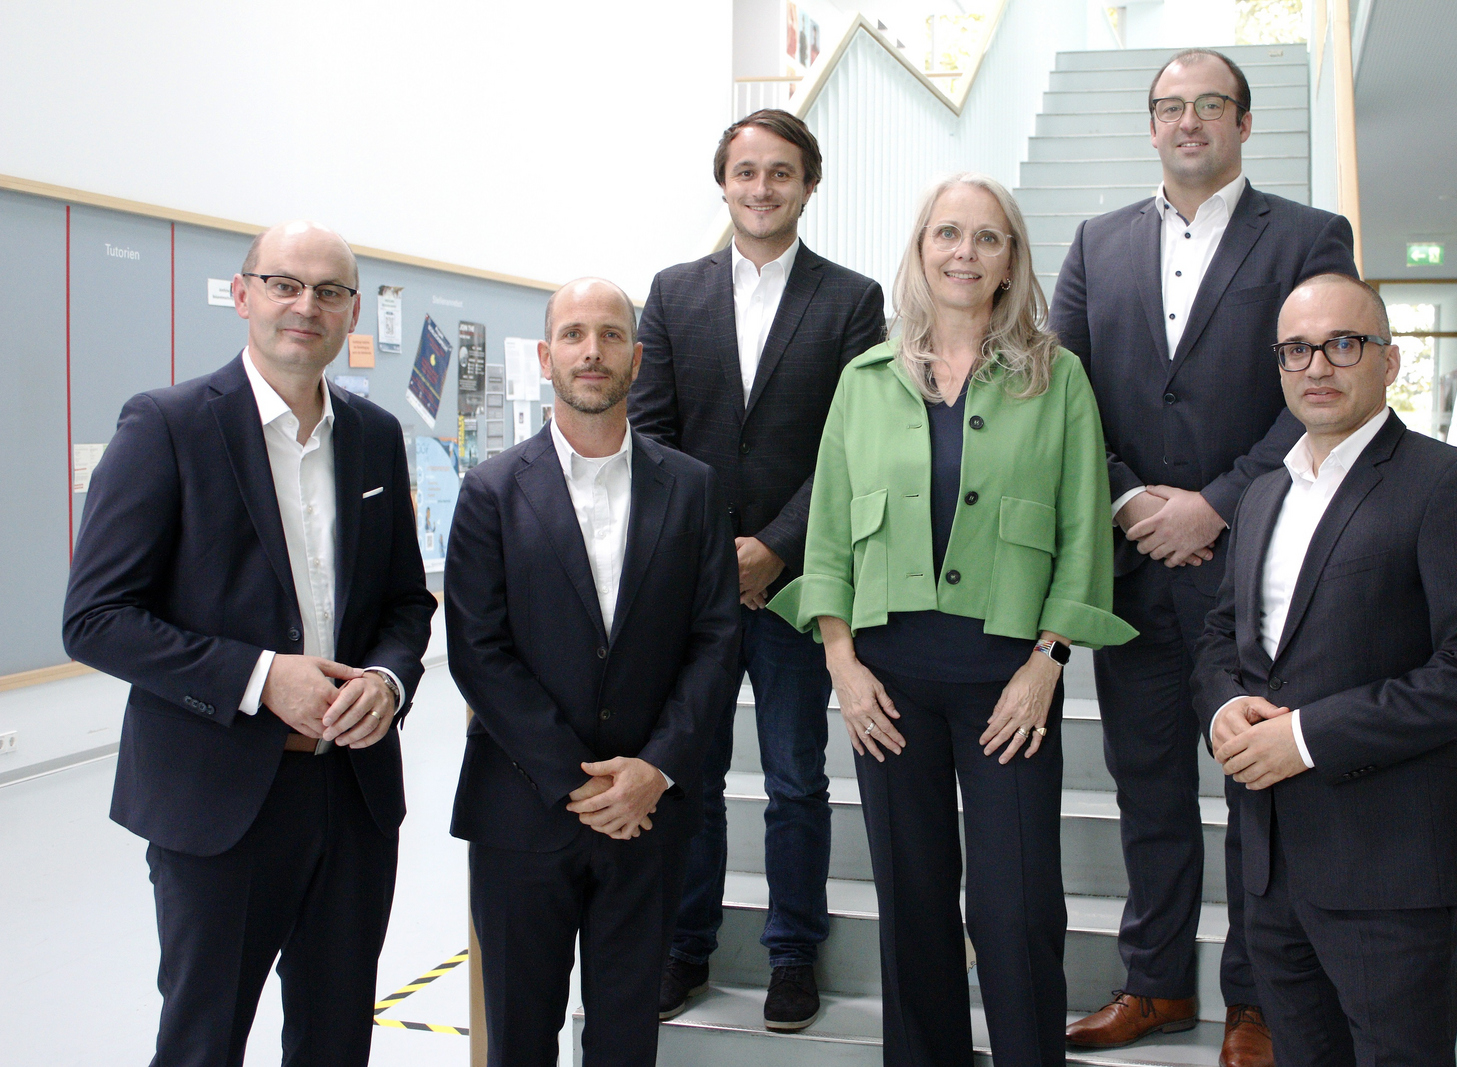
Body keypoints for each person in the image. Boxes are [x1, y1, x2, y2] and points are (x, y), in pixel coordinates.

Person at [769, 172, 1136, 1067]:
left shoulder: (1058, 380)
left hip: (1008, 680)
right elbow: (828, 536)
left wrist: (1048, 660)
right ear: (921, 250)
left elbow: (1088, 531)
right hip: (886, 684)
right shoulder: (864, 380)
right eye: (947, 234)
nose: (964, 252)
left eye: (986, 237)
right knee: (913, 898)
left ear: (1012, 260)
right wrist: (843, 666)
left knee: (1015, 907)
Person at [61, 220, 435, 1065]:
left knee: (336, 1037)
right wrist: (261, 678)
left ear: (351, 316)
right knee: (204, 1040)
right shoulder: (166, 425)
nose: (306, 306)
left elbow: (407, 603)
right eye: (283, 284)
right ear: (242, 295)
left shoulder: (375, 437)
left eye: (330, 292)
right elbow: (95, 616)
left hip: (355, 794)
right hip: (218, 800)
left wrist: (387, 675)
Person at [1048, 47, 1358, 1064]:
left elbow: (1318, 386)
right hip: (1134, 564)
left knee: (1255, 790)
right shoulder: (1096, 242)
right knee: (1146, 785)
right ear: (1149, 125)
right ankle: (1155, 984)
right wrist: (1132, 495)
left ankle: (1257, 998)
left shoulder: (1310, 235)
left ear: (1243, 122)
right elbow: (1064, 392)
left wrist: (1217, 504)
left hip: (1257, 563)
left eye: (1209, 105)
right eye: (1170, 107)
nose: (1188, 122)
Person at [1193, 272, 1457, 1065]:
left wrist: (1307, 737)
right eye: (1298, 349)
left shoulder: (1451, 484)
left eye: (1344, 345)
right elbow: (1220, 637)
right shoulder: (1263, 495)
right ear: (1278, 366)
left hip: (1391, 872)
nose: (1318, 366)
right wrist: (1223, 712)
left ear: (1390, 360)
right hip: (1271, 869)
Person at [631, 108, 885, 1029]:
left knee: (794, 778)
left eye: (782, 173)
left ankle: (792, 954)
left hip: (796, 579)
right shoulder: (672, 292)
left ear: (808, 186)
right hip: (693, 585)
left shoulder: (852, 299)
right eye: (747, 172)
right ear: (725, 182)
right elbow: (649, 434)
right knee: (687, 772)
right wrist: (711, 554)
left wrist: (774, 545)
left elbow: (853, 443)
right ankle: (685, 944)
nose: (763, 188)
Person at [446, 278, 741, 1066]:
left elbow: (717, 640)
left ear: (637, 358)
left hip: (646, 817)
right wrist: (575, 781)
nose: (592, 351)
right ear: (546, 356)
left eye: (611, 335)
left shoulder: (693, 488)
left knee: (625, 1036)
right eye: (574, 334)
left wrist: (655, 769)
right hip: (522, 813)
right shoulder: (491, 491)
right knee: (520, 1034)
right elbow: (478, 650)